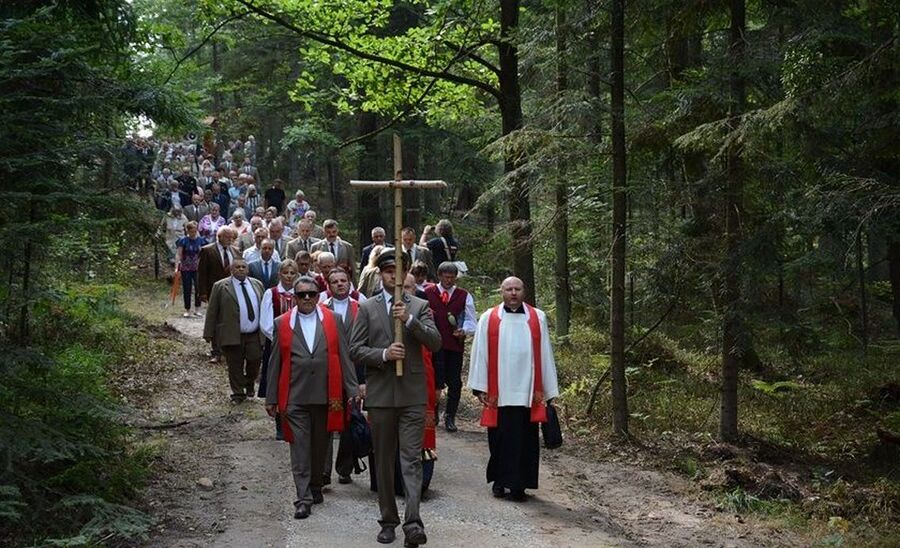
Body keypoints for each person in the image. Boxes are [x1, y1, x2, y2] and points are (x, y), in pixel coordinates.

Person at [349, 250, 441, 547]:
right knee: (385, 461)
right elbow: (355, 349)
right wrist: (385, 354)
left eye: (398, 271)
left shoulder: (420, 305)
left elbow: (436, 342)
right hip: (381, 397)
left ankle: (413, 523)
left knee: (411, 460)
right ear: (381, 274)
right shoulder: (367, 307)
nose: (393, 276)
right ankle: (388, 519)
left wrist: (410, 321)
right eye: (388, 270)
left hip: (412, 395)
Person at [266, 276, 359, 519]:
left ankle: (316, 485)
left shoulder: (333, 319)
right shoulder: (282, 322)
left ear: (319, 296)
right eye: (301, 294)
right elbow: (275, 361)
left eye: (312, 293)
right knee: (299, 447)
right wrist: (271, 397)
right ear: (294, 297)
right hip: (295, 396)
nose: (307, 298)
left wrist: (352, 390)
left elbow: (344, 356)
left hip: (327, 395)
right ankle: (303, 497)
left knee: (320, 446)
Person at [467, 277, 560, 502]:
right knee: (499, 438)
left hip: (528, 391)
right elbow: (480, 352)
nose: (513, 293)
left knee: (526, 440)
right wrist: (480, 387)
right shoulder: (489, 318)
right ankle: (500, 480)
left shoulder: (538, 317)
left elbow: (545, 352)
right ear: (502, 292)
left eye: (517, 288)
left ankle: (520, 485)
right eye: (509, 289)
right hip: (500, 390)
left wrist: (548, 390)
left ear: (524, 291)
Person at [320, 267, 364, 486]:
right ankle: (324, 471)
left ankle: (345, 468)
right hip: (329, 374)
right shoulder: (320, 310)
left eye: (343, 280)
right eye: (335, 281)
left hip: (354, 374)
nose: (339, 284)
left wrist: (362, 381)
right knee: (326, 421)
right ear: (328, 285)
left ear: (349, 283)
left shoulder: (361, 309)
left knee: (350, 421)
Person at [424, 262, 477, 433]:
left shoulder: (463, 296)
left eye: (452, 278)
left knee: (454, 382)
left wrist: (464, 330)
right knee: (434, 380)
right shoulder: (427, 293)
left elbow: (471, 320)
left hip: (454, 345)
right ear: (439, 276)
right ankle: (434, 411)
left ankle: (450, 416)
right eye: (446, 277)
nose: (449, 281)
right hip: (432, 345)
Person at [204, 256, 265, 403]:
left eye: (243, 267)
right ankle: (238, 393)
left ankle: (249, 382)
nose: (241, 269)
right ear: (231, 270)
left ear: (248, 269)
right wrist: (209, 333)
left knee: (255, 360)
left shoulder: (257, 284)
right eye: (237, 267)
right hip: (232, 332)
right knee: (235, 364)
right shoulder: (220, 286)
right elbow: (212, 310)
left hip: (254, 333)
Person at [259, 259, 299, 440]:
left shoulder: (301, 293)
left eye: (292, 273)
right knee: (278, 382)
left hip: (299, 346)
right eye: (286, 273)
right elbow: (265, 323)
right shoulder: (272, 293)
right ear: (280, 274)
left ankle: (296, 422)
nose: (289, 277)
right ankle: (280, 424)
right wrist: (280, 339)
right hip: (276, 345)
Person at [198, 227, 239, 363]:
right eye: (226, 237)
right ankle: (216, 351)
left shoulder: (236, 251)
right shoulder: (207, 250)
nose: (229, 239)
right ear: (219, 236)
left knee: (229, 320)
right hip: (213, 291)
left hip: (232, 292)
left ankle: (227, 349)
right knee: (215, 321)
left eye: (231, 237)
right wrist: (202, 292)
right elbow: (202, 273)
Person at [175, 221, 204, 317]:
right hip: (185, 267)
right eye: (191, 231)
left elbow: (203, 254)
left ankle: (198, 308)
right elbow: (179, 254)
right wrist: (177, 266)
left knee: (198, 288)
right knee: (187, 288)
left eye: (195, 231)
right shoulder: (183, 240)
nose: (193, 233)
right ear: (188, 231)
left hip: (198, 268)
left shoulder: (201, 240)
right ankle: (187, 309)